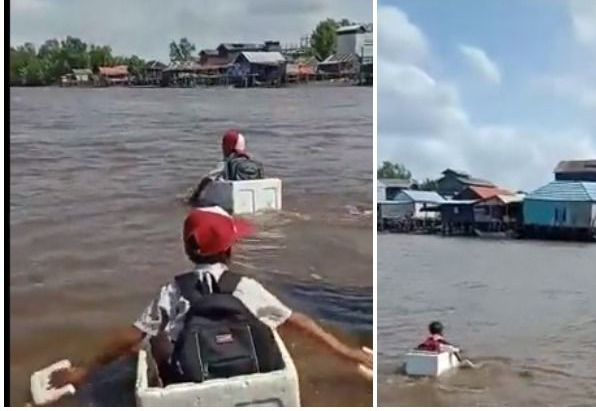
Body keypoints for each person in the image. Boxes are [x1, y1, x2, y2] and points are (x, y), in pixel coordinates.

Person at [50, 206, 371, 389]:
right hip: (246, 368)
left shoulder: (172, 291)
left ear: (187, 249)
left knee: (150, 338)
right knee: (269, 324)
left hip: (190, 375)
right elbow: (298, 323)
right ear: (231, 249)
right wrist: (346, 352)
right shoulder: (246, 287)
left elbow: (128, 338)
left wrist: (85, 370)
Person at [188, 129, 265, 205]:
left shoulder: (226, 164)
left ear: (228, 147)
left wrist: (195, 196)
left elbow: (208, 178)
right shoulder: (255, 163)